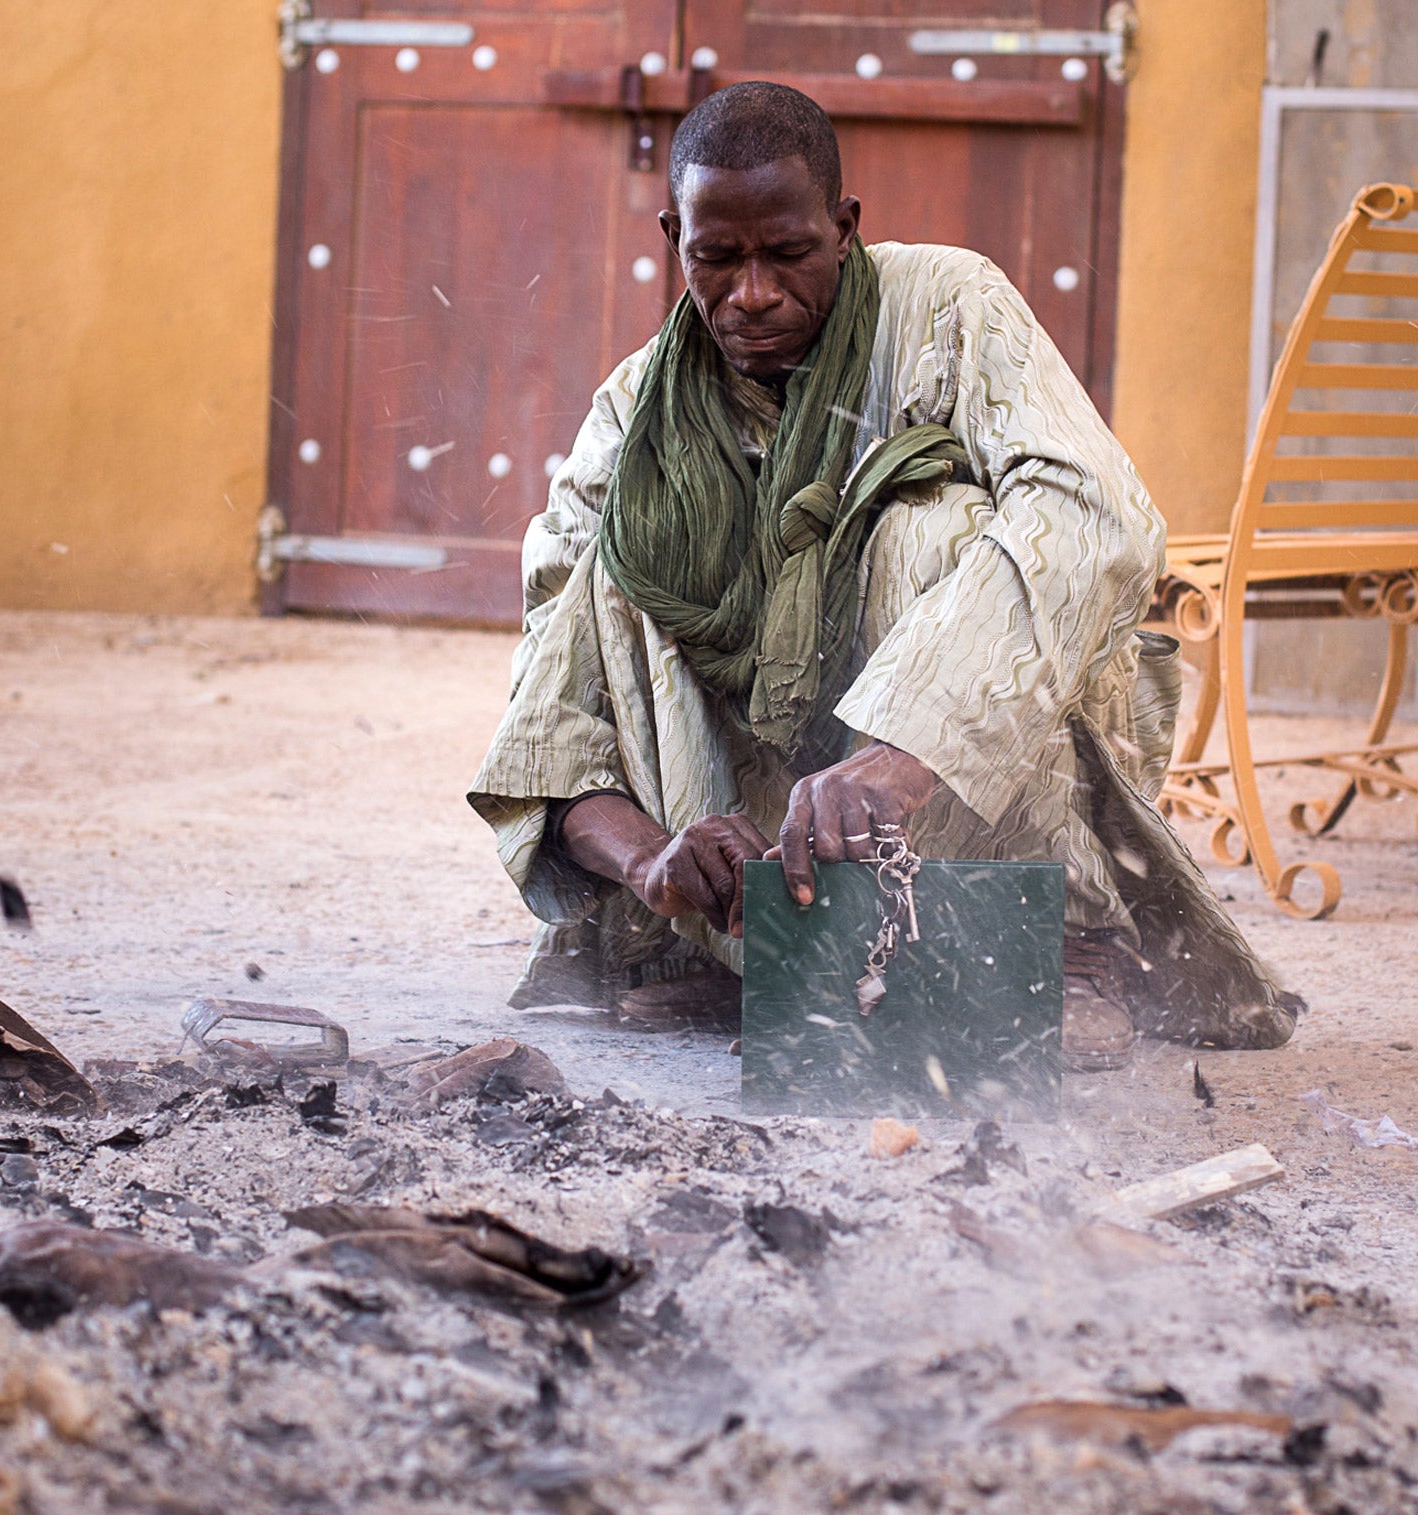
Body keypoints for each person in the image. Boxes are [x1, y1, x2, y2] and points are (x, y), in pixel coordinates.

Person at [469, 82, 1297, 1069]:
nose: (753, 293)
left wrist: (911, 747)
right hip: (759, 855)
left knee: (932, 522)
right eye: (716, 259)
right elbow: (551, 698)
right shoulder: (634, 412)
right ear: (673, 240)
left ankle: (1059, 950)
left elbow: (1097, 517)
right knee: (619, 571)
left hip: (956, 794)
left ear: (845, 228)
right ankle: (753, 956)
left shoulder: (951, 308)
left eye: (788, 254)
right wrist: (653, 862)